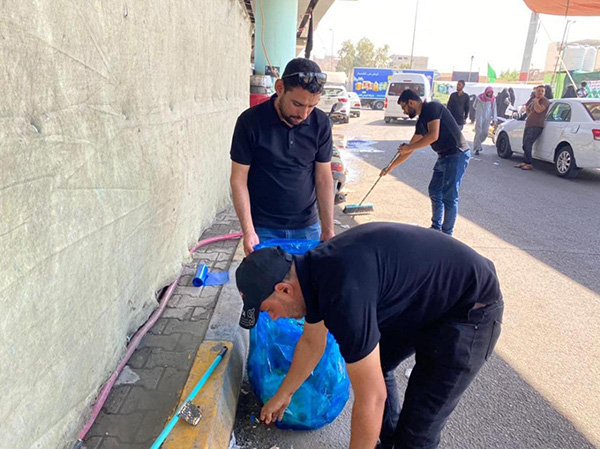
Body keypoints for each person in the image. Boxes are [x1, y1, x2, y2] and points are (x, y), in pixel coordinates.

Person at [236, 222, 504, 449]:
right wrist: (284, 393)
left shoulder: (343, 295)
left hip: (469, 310)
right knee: (379, 365)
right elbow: (311, 342)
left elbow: (372, 398)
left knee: (417, 433)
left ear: (284, 290)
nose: (273, 318)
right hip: (423, 301)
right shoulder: (311, 273)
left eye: (268, 309)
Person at [230, 58, 335, 255]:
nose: (304, 114)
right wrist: (248, 230)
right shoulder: (249, 122)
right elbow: (238, 179)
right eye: (297, 104)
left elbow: (323, 178)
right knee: (266, 276)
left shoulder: (320, 123)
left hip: (307, 227)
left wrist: (328, 228)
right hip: (263, 229)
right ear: (280, 88)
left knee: (308, 276)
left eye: (312, 106)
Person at [382, 89, 470, 236]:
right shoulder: (421, 121)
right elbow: (410, 149)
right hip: (443, 156)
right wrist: (390, 167)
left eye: (404, 107)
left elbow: (433, 135)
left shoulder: (432, 107)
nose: (404, 111)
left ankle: (446, 235)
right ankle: (436, 228)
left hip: (457, 153)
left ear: (411, 102)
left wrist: (409, 147)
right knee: (434, 190)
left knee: (449, 196)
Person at [516, 85, 551, 171]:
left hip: (536, 125)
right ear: (535, 92)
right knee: (525, 144)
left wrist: (536, 102)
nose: (540, 93)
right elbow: (528, 108)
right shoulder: (534, 100)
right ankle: (525, 161)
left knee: (528, 143)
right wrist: (529, 115)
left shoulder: (545, 101)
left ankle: (529, 163)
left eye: (542, 91)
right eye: (539, 91)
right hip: (529, 124)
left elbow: (539, 110)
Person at [472, 87, 497, 155]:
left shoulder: (493, 99)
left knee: (485, 133)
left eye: (491, 92)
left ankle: (478, 143)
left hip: (487, 118)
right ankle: (477, 148)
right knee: (478, 132)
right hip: (479, 117)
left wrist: (494, 119)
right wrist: (478, 112)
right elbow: (474, 105)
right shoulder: (479, 98)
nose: (489, 93)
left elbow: (494, 109)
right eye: (488, 92)